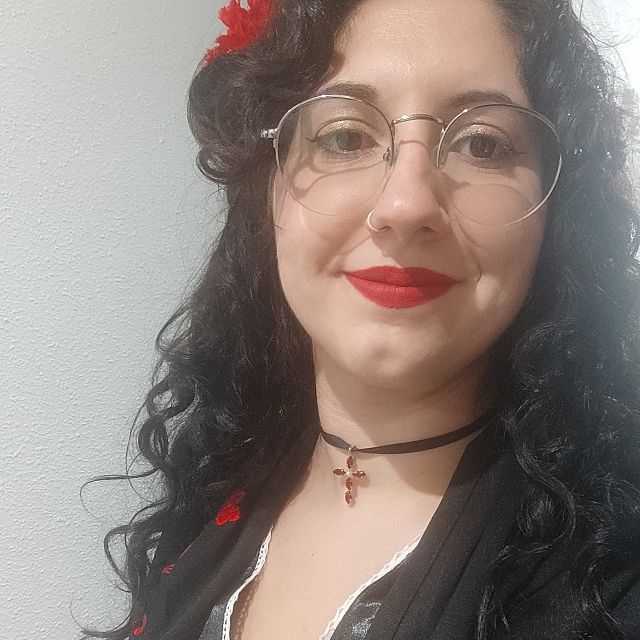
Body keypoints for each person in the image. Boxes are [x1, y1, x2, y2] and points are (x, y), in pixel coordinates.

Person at [80, 0, 640, 638]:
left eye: (482, 143)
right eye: (345, 136)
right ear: (269, 192)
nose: (406, 204)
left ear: (556, 212)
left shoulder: (615, 582)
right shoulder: (217, 490)